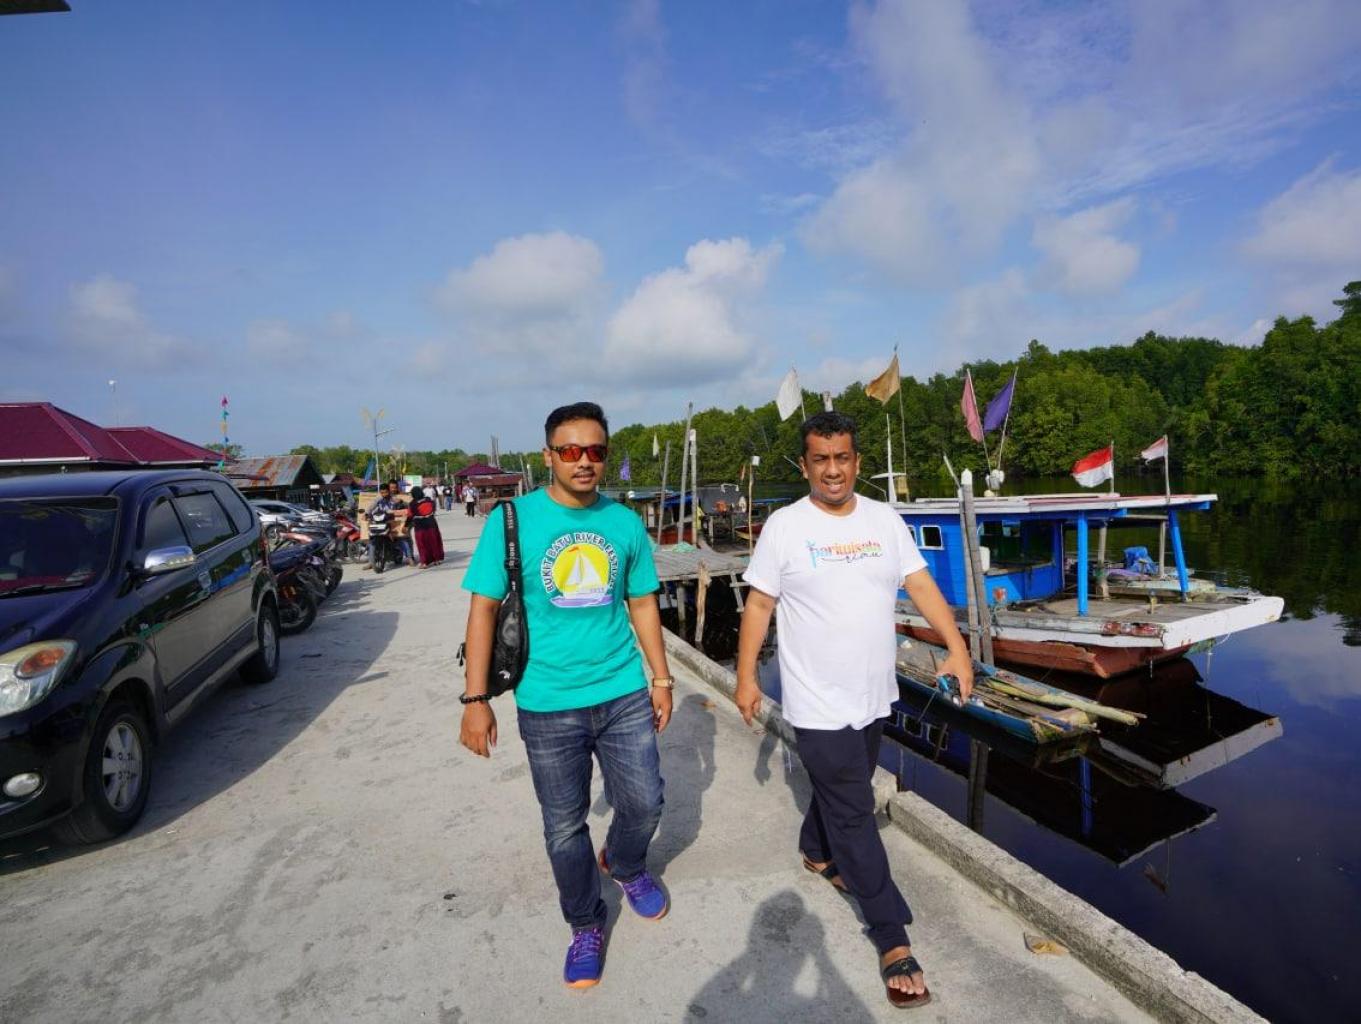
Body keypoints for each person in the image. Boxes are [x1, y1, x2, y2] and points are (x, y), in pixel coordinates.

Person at [734, 411, 974, 1011]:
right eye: (821, 459)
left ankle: (817, 853)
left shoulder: (883, 520)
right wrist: (746, 677)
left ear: (857, 462)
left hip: (873, 693)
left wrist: (957, 646)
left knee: (844, 789)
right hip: (816, 700)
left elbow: (920, 585)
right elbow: (759, 605)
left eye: (842, 458)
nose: (833, 470)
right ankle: (891, 936)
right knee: (855, 808)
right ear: (805, 465)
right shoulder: (785, 527)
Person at [459, 401, 674, 990]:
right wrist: (475, 701)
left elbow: (642, 603)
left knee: (645, 802)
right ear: (548, 455)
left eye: (595, 451)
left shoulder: (624, 523)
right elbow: (482, 610)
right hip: (547, 700)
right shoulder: (512, 520)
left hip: (622, 688)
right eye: (571, 450)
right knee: (563, 826)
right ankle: (585, 923)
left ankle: (625, 863)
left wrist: (661, 678)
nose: (584, 461)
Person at [408, 485, 444, 567]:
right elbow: (433, 508)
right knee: (434, 542)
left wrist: (405, 526)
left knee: (422, 544)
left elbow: (409, 516)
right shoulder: (428, 499)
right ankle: (436, 560)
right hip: (431, 523)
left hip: (420, 526)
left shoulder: (412, 504)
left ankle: (424, 562)